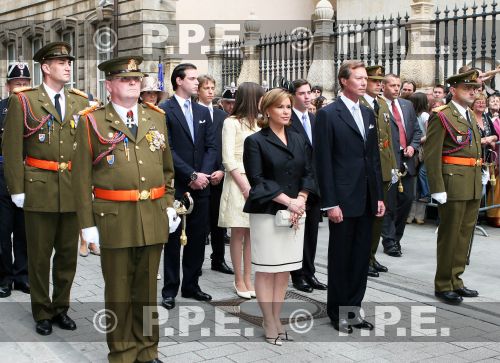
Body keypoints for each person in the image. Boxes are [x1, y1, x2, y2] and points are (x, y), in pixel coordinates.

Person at [72, 56, 176, 363]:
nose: (133, 83)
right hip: (113, 218)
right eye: (125, 79)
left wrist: (169, 205)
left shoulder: (155, 117)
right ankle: (122, 352)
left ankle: (147, 350)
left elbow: (167, 170)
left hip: (152, 216)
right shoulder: (92, 121)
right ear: (110, 85)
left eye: (136, 79)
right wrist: (86, 224)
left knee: (146, 291)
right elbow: (80, 179)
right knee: (118, 291)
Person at [2, 42, 89, 335]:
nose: (67, 66)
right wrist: (17, 187)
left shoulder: (80, 101)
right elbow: (12, 147)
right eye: (61, 62)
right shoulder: (24, 100)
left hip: (71, 189)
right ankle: (41, 310)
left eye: (69, 61)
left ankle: (60, 308)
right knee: (39, 256)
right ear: (46, 67)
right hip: (38, 187)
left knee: (67, 256)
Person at [315, 60, 385, 334]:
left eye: (365, 78)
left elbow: (373, 158)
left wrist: (378, 195)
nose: (364, 82)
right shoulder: (329, 114)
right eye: (358, 78)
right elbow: (323, 161)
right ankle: (338, 312)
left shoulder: (368, 113)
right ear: (343, 81)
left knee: (360, 258)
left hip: (366, 197)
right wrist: (330, 202)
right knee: (341, 257)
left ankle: (354, 309)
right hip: (342, 199)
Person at [243, 87, 317, 345]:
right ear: (268, 110)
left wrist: (302, 199)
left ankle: (276, 317)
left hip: (295, 212)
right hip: (267, 213)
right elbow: (257, 180)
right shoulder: (255, 141)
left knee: (284, 270)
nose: (286, 111)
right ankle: (269, 321)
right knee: (266, 270)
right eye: (280, 107)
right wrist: (288, 202)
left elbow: (309, 172)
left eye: (288, 106)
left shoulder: (298, 138)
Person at [160, 63, 217, 310]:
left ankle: (191, 285)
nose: (197, 82)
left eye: (197, 78)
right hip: (177, 184)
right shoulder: (164, 110)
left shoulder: (203, 111)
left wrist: (202, 174)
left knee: (196, 238)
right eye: (192, 78)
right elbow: (167, 148)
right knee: (173, 239)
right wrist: (191, 174)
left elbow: (211, 147)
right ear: (179, 81)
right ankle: (170, 288)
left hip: (201, 185)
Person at [425, 69, 483, 305]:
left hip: (471, 182)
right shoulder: (442, 115)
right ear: (453, 90)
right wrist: (437, 187)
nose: (473, 92)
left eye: (475, 88)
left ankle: (456, 280)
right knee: (450, 235)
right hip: (453, 183)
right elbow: (432, 154)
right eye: (467, 88)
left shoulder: (469, 115)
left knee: (464, 235)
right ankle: (443, 284)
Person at [219, 82, 263, 299]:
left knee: (252, 232)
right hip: (238, 182)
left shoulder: (260, 124)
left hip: (256, 181)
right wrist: (245, 186)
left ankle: (249, 277)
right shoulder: (231, 123)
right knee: (238, 232)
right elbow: (228, 158)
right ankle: (239, 278)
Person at [288, 79, 326, 292]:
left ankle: (310, 272)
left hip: (314, 185)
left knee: (312, 231)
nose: (307, 97)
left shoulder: (313, 118)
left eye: (309, 93)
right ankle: (297, 275)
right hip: (296, 186)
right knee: (296, 231)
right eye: (302, 93)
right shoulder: (288, 118)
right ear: (293, 95)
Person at [359, 65, 397, 278]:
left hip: (383, 167)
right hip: (369, 169)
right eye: (375, 81)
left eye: (380, 82)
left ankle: (371, 256)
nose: (378, 85)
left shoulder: (381, 104)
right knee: (369, 216)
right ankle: (364, 258)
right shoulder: (361, 104)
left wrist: (392, 166)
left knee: (379, 216)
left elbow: (388, 139)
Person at [381, 74, 422, 257]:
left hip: (407, 160)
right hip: (390, 160)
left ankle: (396, 237)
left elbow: (416, 130)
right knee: (389, 200)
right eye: (392, 85)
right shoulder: (379, 106)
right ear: (383, 86)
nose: (396, 89)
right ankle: (388, 240)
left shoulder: (407, 106)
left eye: (398, 85)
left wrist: (413, 146)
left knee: (406, 199)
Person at [197, 74, 233, 275]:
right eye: (206, 88)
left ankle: (218, 259)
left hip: (218, 174)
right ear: (198, 90)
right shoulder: (193, 112)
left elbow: (224, 146)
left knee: (219, 221)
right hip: (200, 174)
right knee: (200, 223)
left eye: (212, 88)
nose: (210, 91)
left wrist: (221, 168)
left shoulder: (222, 116)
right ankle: (197, 260)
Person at [0, 62, 31, 298]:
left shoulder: (35, 109)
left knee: (25, 230)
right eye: (16, 84)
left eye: (24, 84)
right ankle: (4, 277)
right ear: (8, 86)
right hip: (2, 176)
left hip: (28, 174)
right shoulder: (0, 108)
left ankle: (23, 276)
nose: (20, 88)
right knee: (3, 230)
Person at [406, 92, 431, 225]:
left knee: (421, 177)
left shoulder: (425, 116)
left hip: (423, 151)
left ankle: (419, 215)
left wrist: (416, 141)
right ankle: (411, 215)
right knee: (414, 183)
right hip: (416, 150)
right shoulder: (413, 115)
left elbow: (430, 134)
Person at [471, 93, 498, 196]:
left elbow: (495, 136)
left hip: (486, 159)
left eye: (483, 102)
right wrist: (483, 140)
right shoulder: (469, 118)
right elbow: (469, 138)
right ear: (472, 104)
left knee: (482, 191)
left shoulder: (486, 117)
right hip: (473, 160)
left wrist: (490, 138)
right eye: (478, 102)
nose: (481, 104)